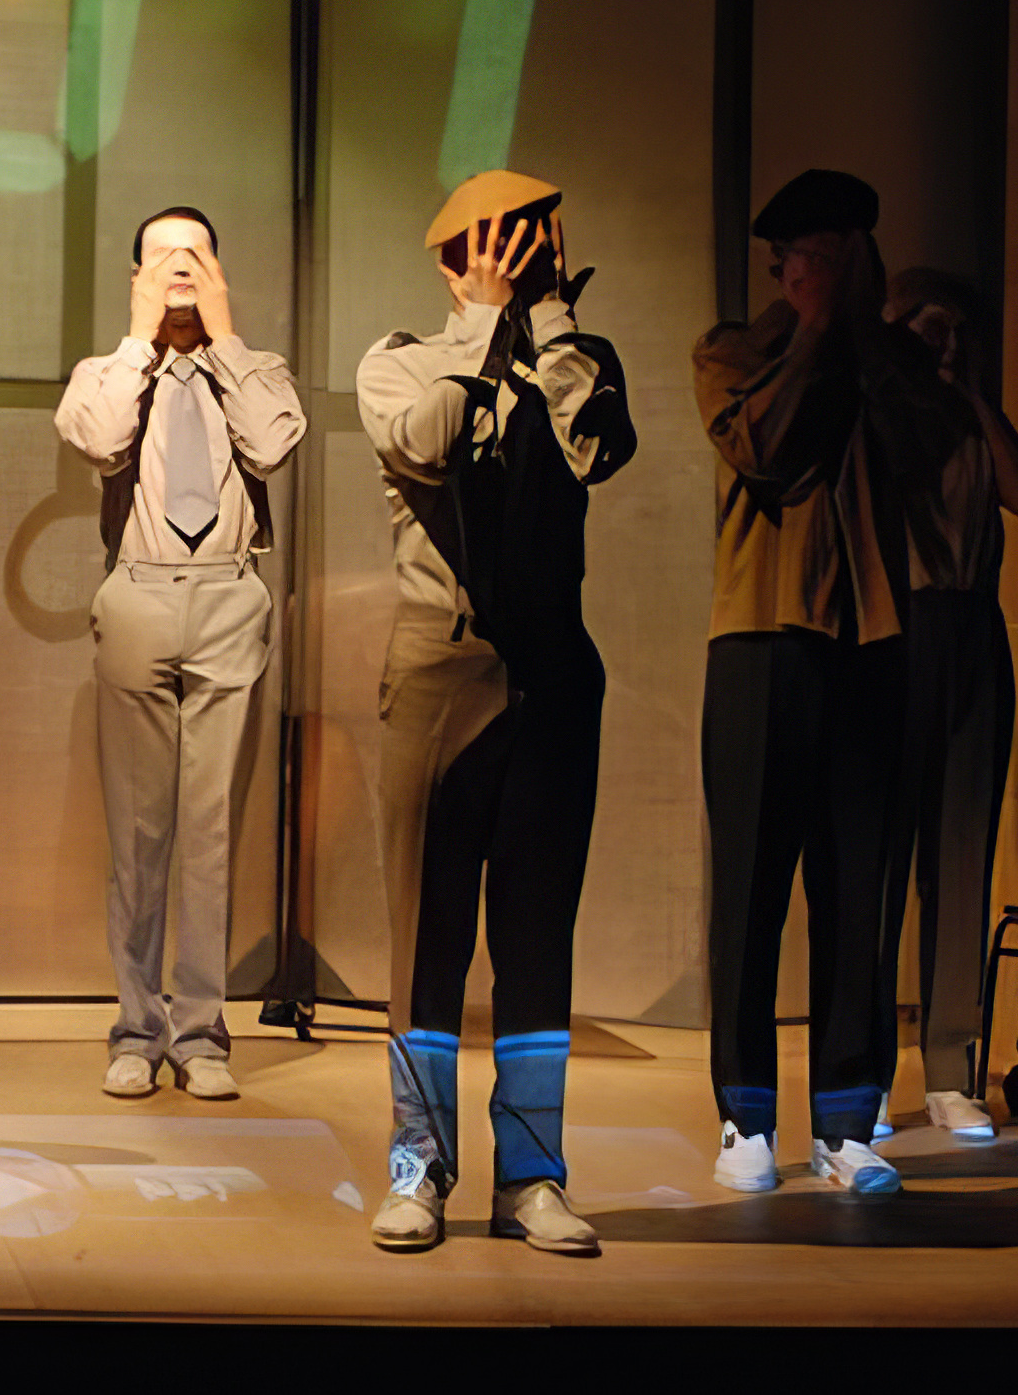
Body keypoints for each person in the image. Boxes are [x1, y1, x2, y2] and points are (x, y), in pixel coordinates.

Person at [354, 171, 634, 1255]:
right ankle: (416, 1167)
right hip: (441, 664)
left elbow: (597, 448)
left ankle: (533, 1175)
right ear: (451, 260)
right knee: (428, 938)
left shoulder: (575, 361)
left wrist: (550, 319)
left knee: (536, 936)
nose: (516, 261)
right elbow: (422, 444)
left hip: (554, 668)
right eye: (497, 245)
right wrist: (479, 327)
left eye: (533, 243)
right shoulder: (400, 360)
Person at [693, 168, 954, 1196]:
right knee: (751, 889)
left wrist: (867, 339)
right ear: (780, 268)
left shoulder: (895, 358)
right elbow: (764, 451)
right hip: (761, 641)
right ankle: (743, 1117)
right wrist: (811, 334)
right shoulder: (734, 351)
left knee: (858, 891)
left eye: (841, 257)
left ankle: (848, 1123)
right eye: (808, 258)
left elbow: (930, 450)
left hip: (874, 643)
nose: (822, 275)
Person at [53, 209, 304, 1105]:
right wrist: (138, 338)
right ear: (135, 277)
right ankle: (135, 1030)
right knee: (138, 831)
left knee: (208, 828)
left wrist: (224, 339)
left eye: (194, 251)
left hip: (229, 592)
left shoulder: (256, 370)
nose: (178, 265)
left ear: (220, 271)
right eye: (160, 254)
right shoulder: (106, 373)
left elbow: (272, 446)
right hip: (138, 589)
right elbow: (97, 440)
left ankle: (200, 1035)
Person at [874, 268, 1018, 1138]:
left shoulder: (976, 422)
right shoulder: (877, 414)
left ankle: (950, 1067)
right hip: (895, 632)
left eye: (952, 329)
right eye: (924, 327)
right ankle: (860, 1072)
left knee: (960, 853)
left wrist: (976, 396)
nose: (940, 344)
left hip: (973, 630)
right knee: (877, 863)